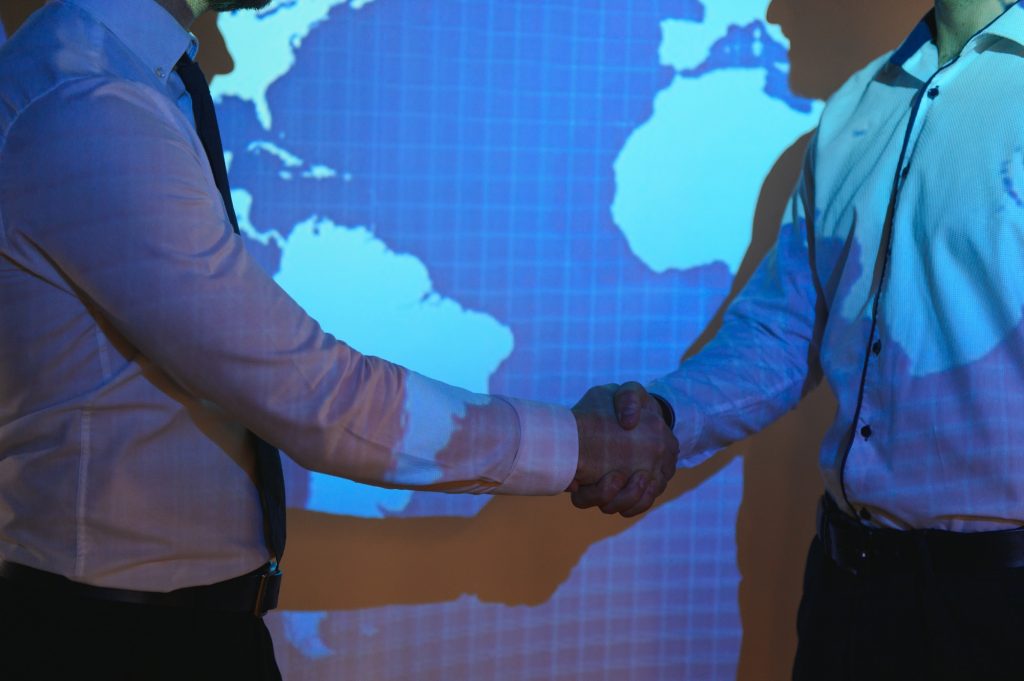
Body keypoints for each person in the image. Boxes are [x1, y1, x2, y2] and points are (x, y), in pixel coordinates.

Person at [0, 0, 678, 678]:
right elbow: (312, 391)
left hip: (157, 629)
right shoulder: (90, 101)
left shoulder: (120, 77)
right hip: (117, 642)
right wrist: (584, 445)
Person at [576, 0, 1024, 679]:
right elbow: (784, 330)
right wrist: (663, 420)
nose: (779, 12)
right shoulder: (854, 107)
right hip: (848, 599)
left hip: (1002, 610)